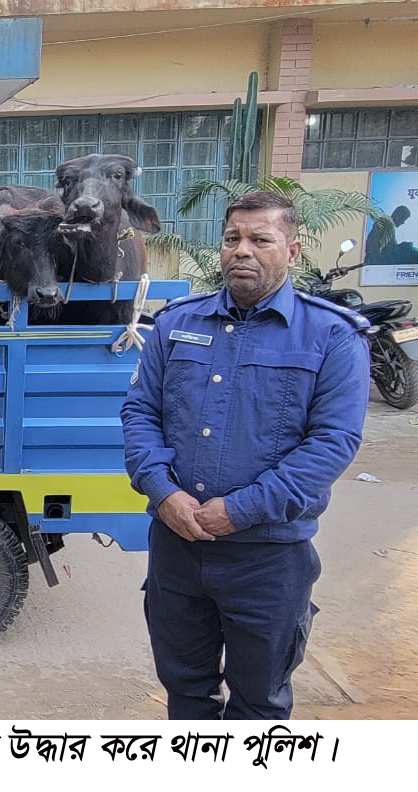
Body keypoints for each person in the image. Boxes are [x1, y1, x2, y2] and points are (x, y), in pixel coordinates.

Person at [121, 191, 369, 719]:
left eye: (261, 239)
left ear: (293, 251)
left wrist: (241, 510)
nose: (242, 250)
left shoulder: (332, 337)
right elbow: (140, 414)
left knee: (259, 701)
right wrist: (163, 493)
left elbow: (333, 443)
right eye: (233, 238)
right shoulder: (175, 325)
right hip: (178, 550)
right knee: (186, 694)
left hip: (269, 559)